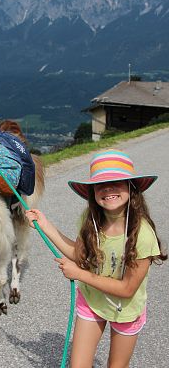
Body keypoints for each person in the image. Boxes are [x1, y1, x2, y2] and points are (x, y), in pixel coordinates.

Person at [26, 150, 167, 368]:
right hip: (92, 300)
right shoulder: (90, 220)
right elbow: (78, 255)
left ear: (131, 187)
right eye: (101, 184)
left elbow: (127, 289)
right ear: (93, 192)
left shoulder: (143, 235)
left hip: (126, 309)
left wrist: (80, 274)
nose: (108, 189)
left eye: (117, 182)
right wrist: (44, 225)